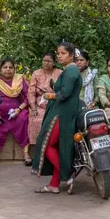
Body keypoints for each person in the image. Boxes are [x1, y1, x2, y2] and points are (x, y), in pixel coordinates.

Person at [32, 42, 83, 194]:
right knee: (58, 147)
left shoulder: (71, 70)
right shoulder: (68, 70)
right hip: (62, 112)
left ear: (72, 55)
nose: (60, 56)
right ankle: (54, 185)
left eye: (63, 53)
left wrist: (49, 95)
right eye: (58, 53)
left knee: (45, 144)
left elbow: (64, 94)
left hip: (62, 114)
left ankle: (67, 174)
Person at [0, 59, 31, 164]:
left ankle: (26, 153)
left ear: (14, 69)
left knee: (24, 118)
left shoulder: (20, 79)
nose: (8, 70)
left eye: (11, 67)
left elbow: (28, 97)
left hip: (17, 110)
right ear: (0, 69)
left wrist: (19, 109)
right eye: (5, 67)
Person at [28, 53, 62, 157]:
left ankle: (52, 149)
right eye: (44, 61)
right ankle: (37, 151)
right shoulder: (36, 73)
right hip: (40, 104)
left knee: (55, 121)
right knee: (36, 119)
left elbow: (63, 90)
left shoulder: (60, 73)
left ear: (54, 62)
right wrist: (33, 108)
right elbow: (31, 92)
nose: (46, 63)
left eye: (49, 61)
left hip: (55, 102)